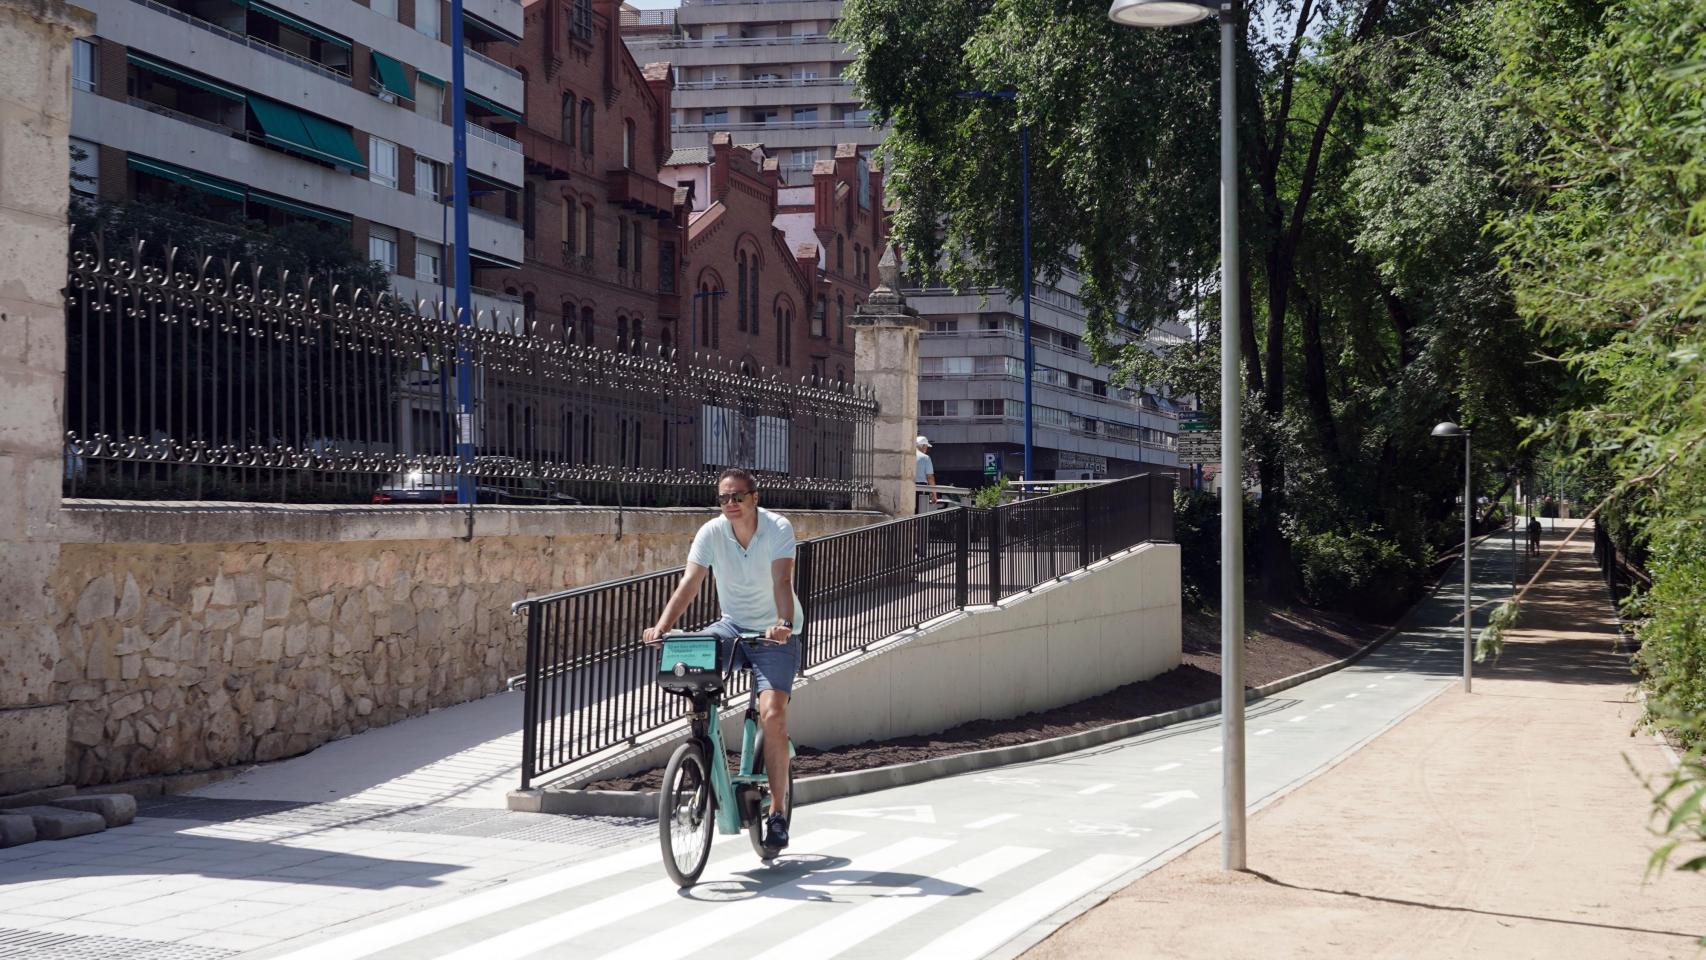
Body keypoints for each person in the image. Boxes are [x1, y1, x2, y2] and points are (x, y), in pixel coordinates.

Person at [642, 468, 802, 850]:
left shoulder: (778, 528)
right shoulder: (711, 532)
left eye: (738, 497)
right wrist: (662, 627)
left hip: (774, 633)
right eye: (724, 498)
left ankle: (777, 813)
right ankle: (698, 752)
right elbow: (691, 582)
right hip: (732, 627)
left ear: (754, 498)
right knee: (689, 660)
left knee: (773, 714)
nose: (730, 504)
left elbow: (782, 580)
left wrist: (782, 623)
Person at [915, 435, 937, 514]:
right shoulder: (925, 458)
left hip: (907, 487)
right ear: (923, 445)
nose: (927, 449)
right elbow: (930, 477)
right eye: (926, 446)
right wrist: (934, 494)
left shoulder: (908, 455)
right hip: (921, 488)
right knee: (920, 514)